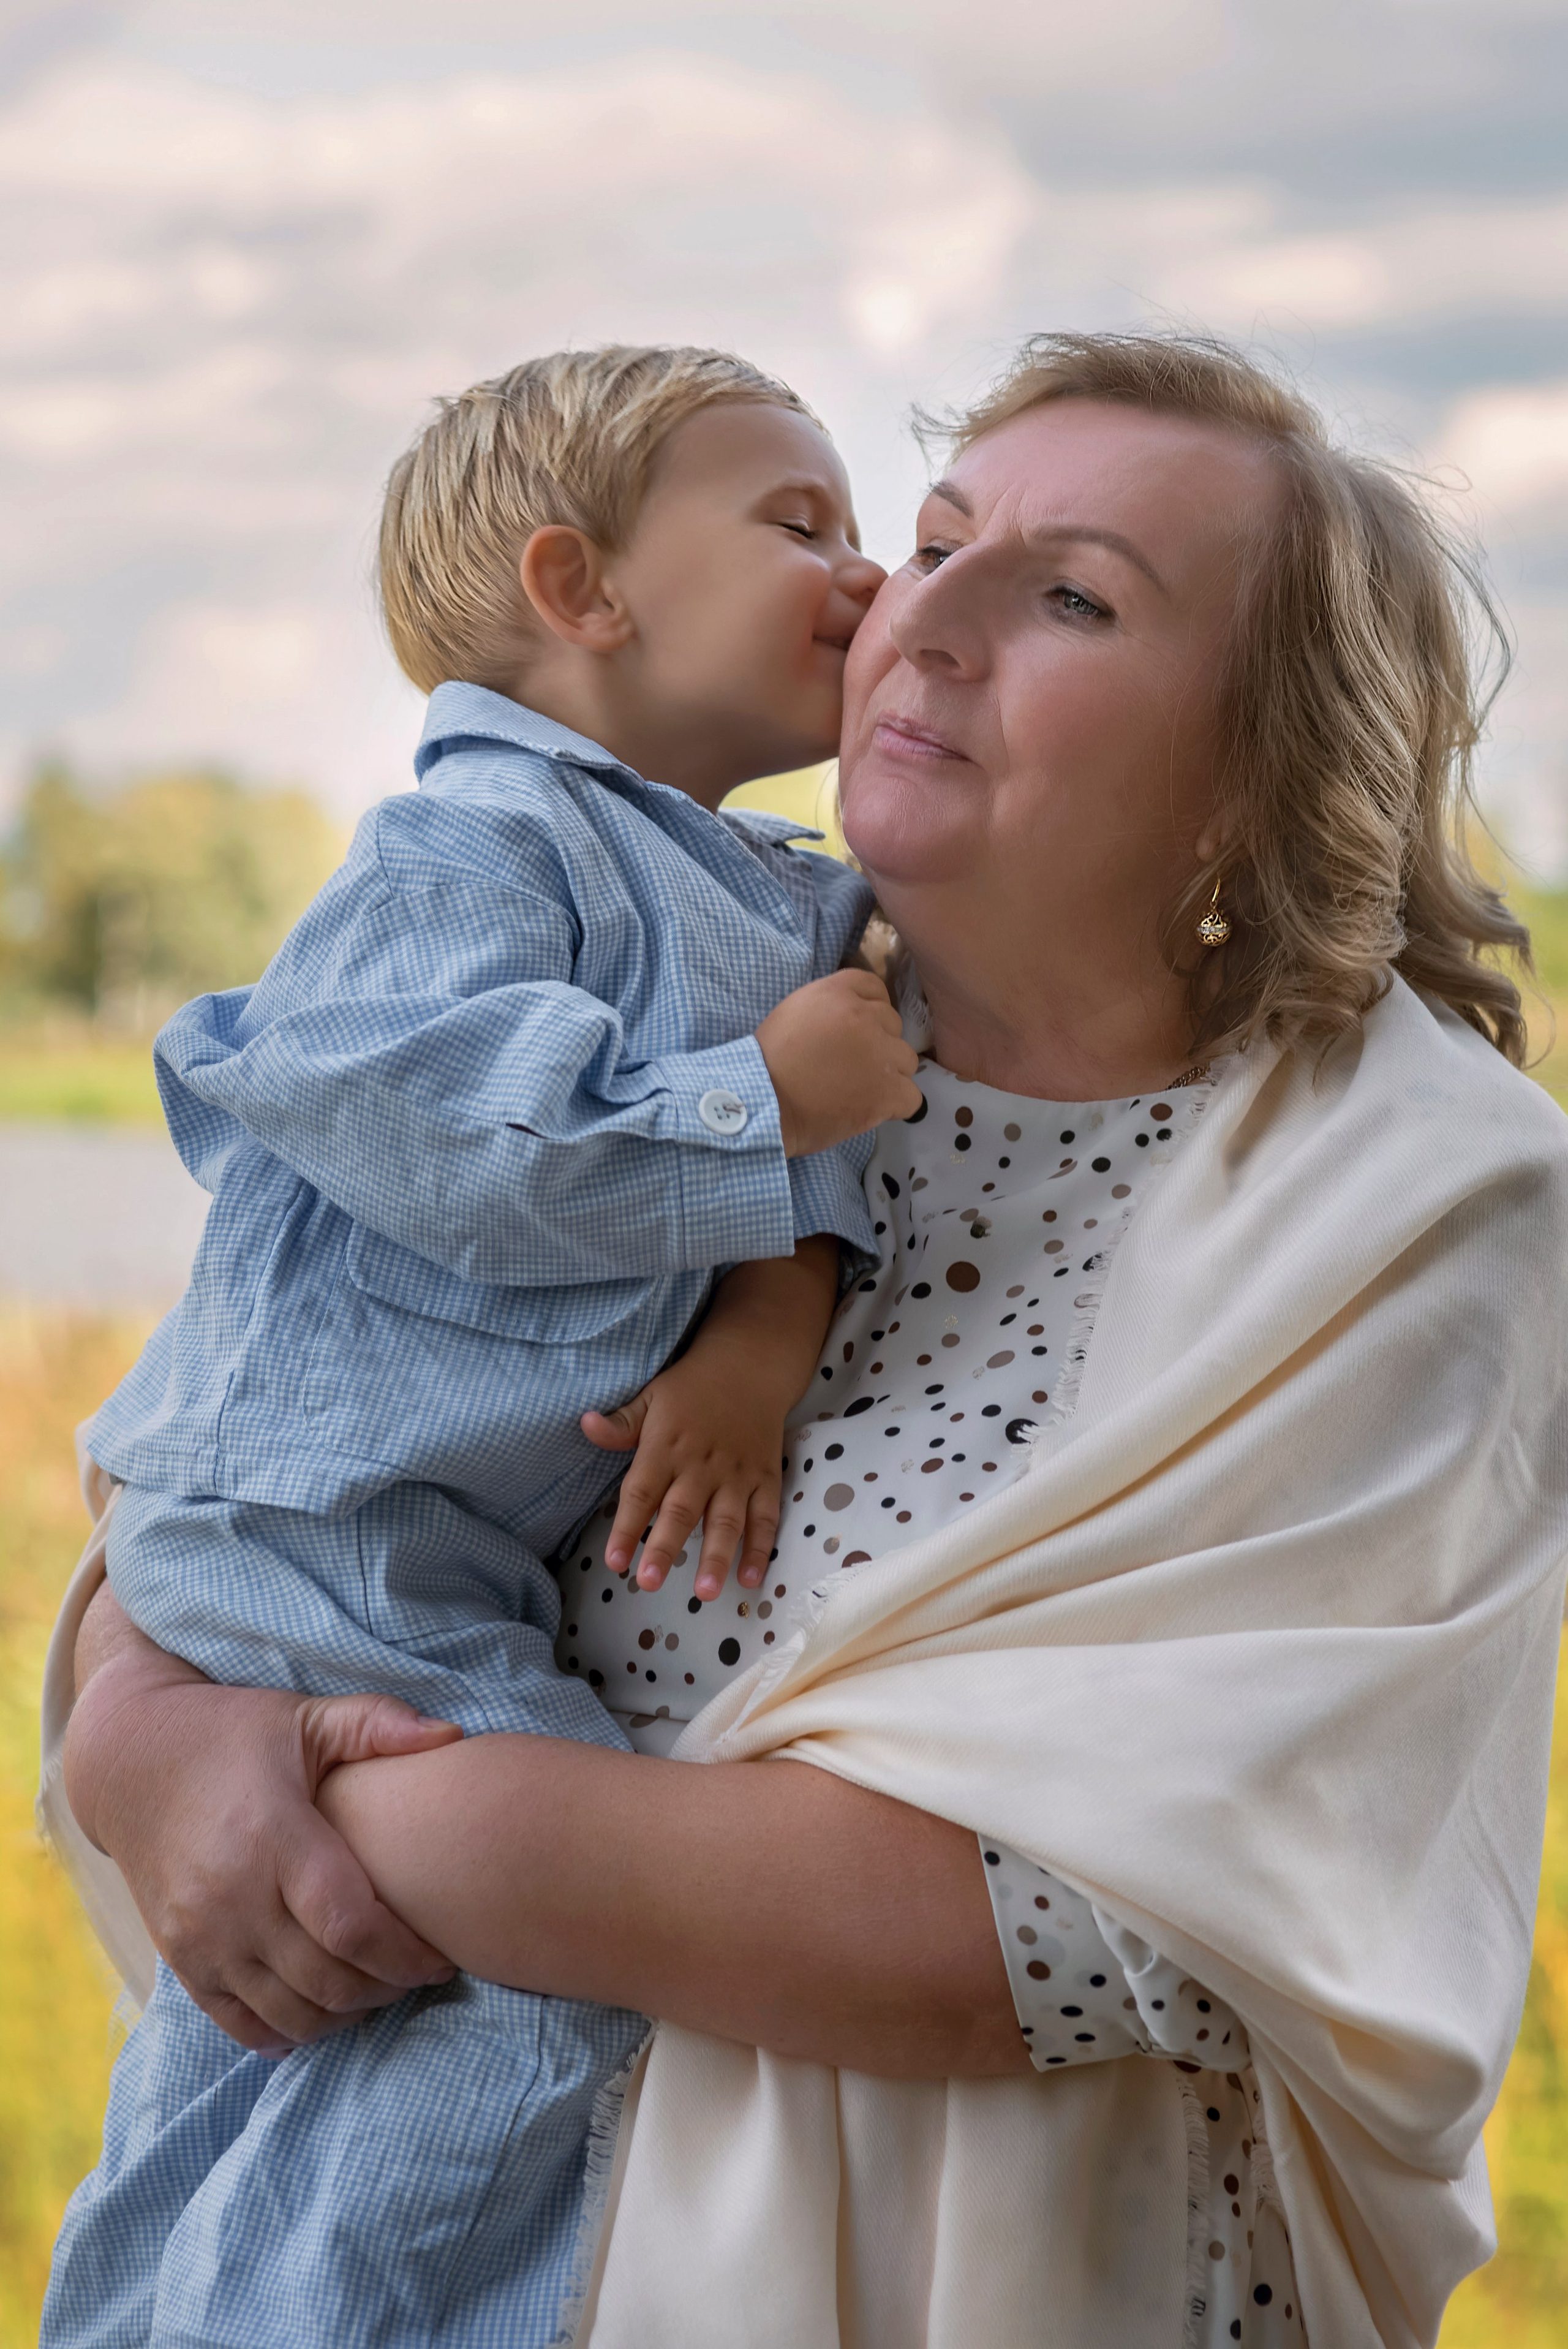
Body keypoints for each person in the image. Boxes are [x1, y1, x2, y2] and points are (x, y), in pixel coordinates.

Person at [53, 331, 1568, 2349]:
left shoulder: (1412, 1200)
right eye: (928, 539)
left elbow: (1040, 1928)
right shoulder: (653, 1023)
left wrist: (320, 1808)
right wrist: (142, 1725)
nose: (913, 605)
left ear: (1260, 763)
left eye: (1075, 594)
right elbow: (290, 1436)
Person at [39, 341, 922, 2349]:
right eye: (804, 522)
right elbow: (437, 1134)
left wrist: (767, 1326)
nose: (869, 579)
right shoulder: (475, 848)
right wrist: (754, 1107)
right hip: (314, 1515)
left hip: (412, 1543)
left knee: (267, 2041)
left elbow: (847, 1165)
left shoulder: (789, 905)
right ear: (581, 587)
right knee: (517, 1972)